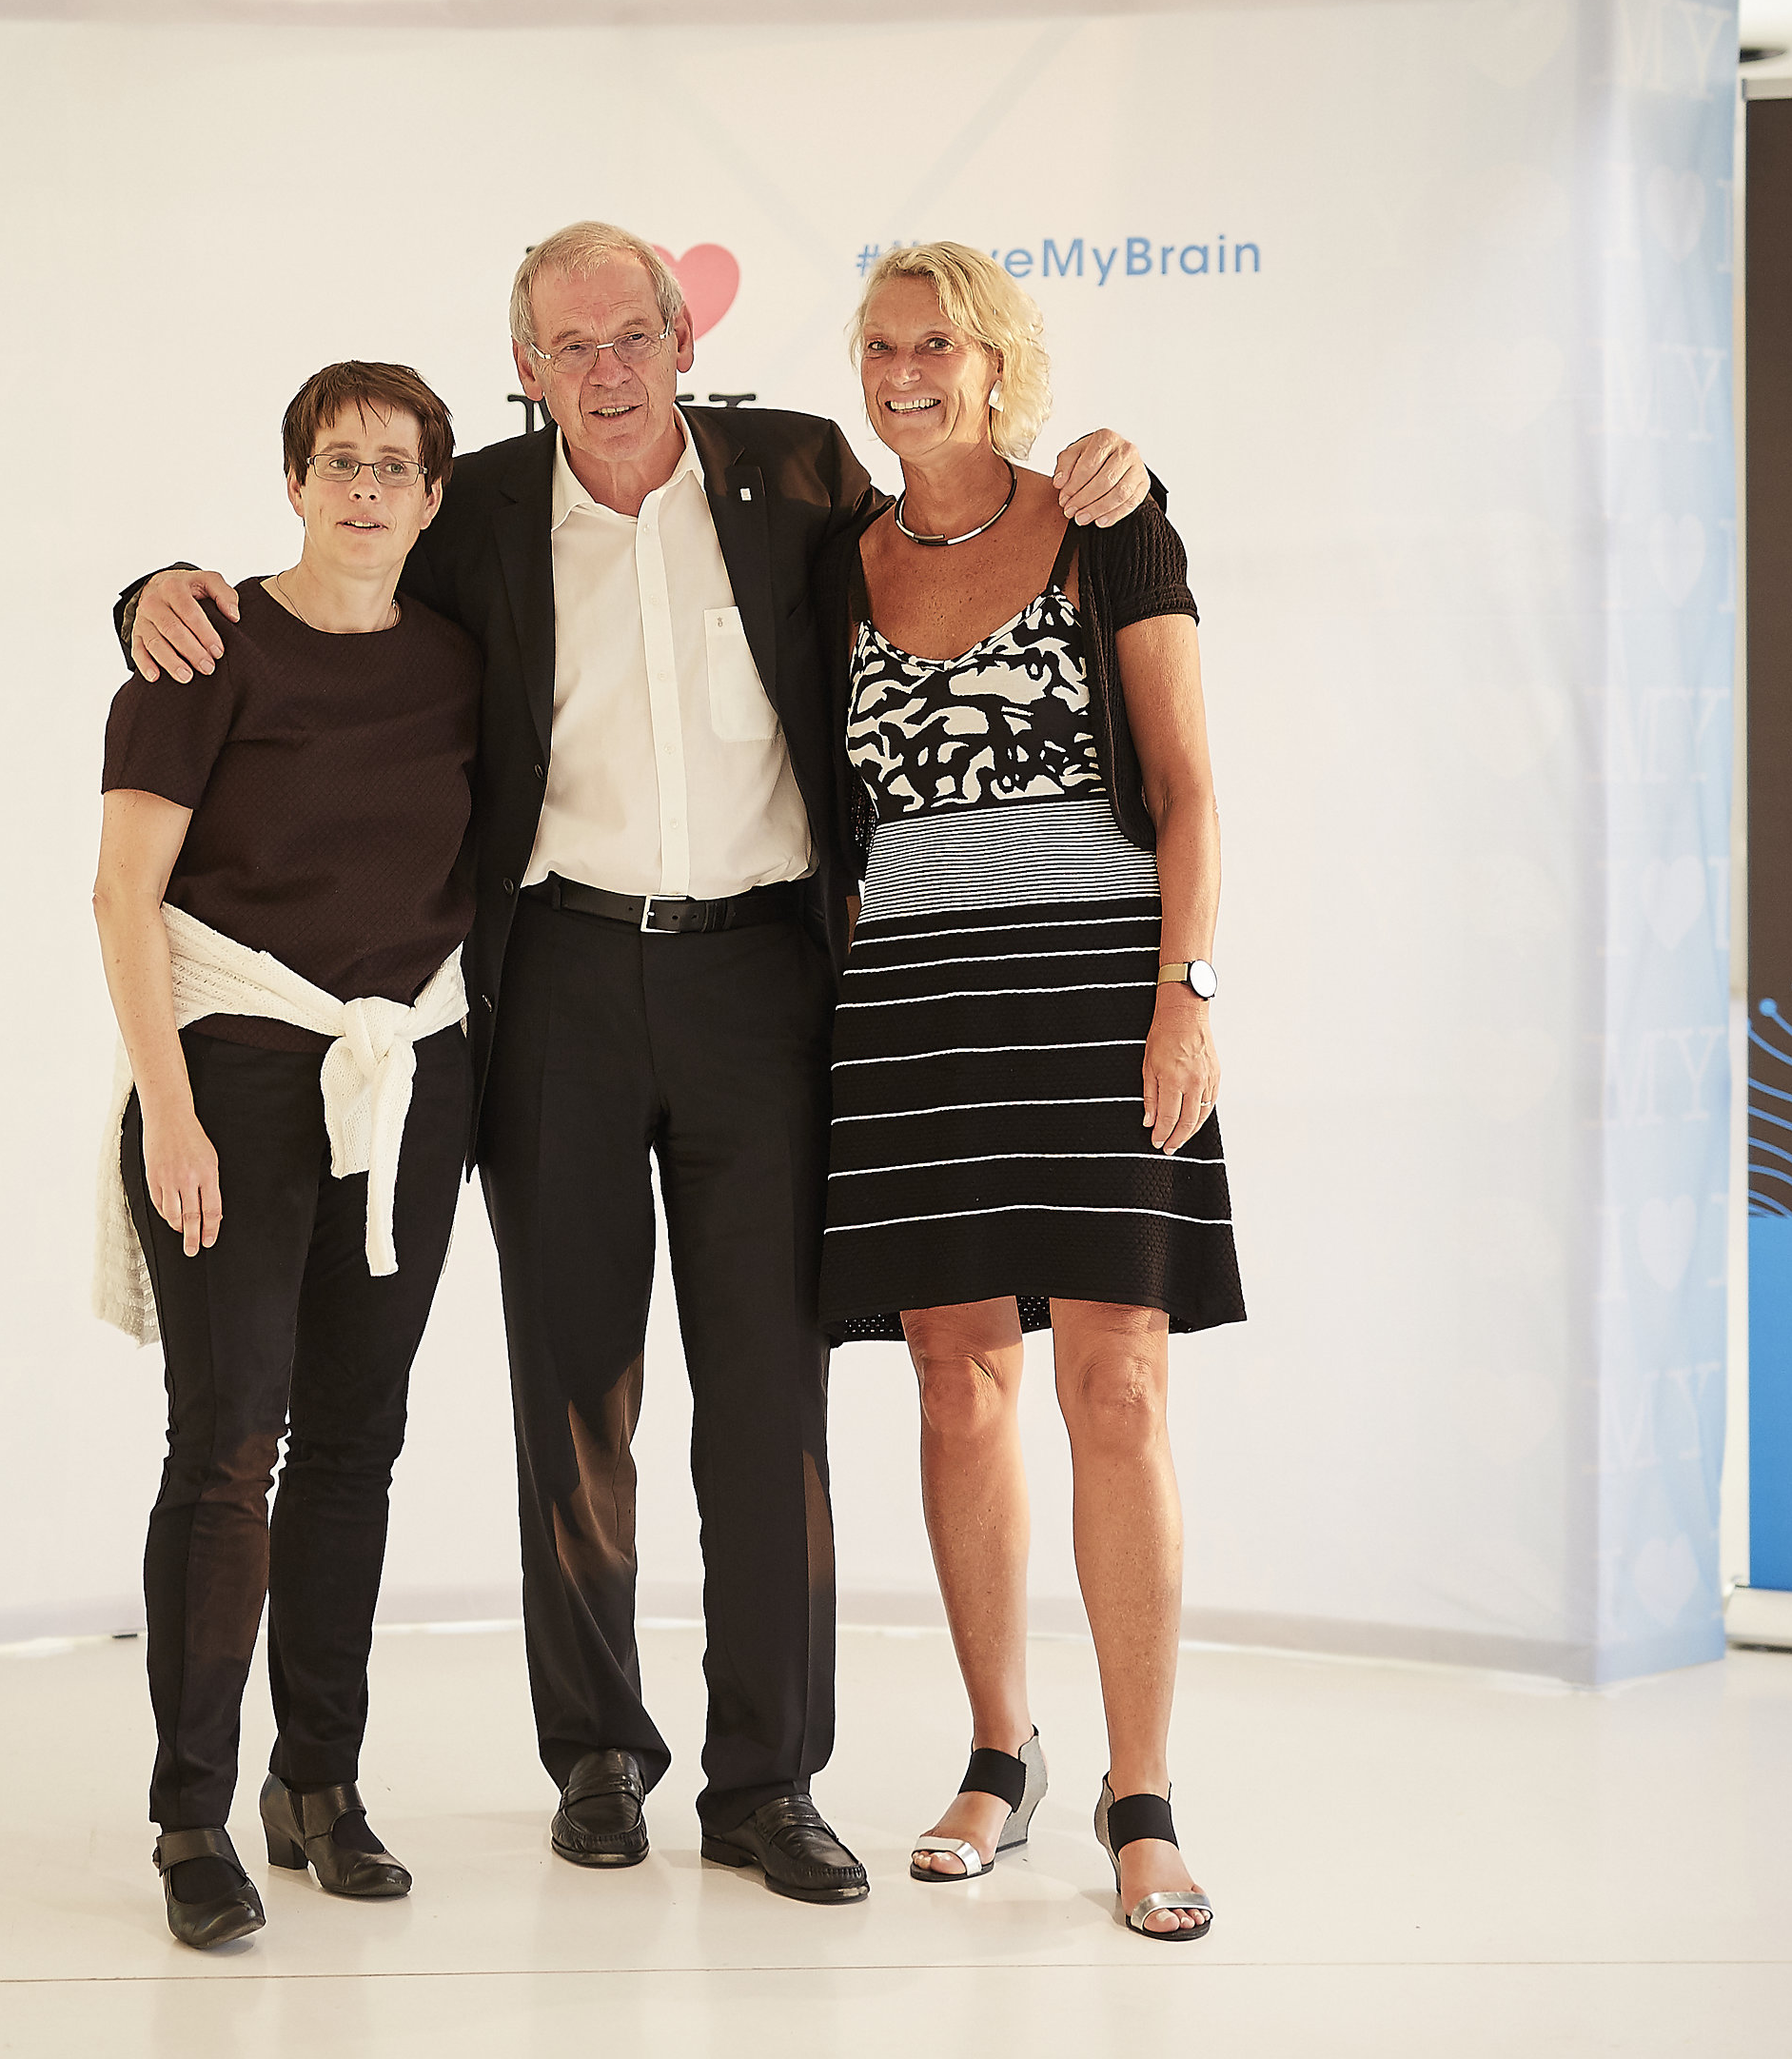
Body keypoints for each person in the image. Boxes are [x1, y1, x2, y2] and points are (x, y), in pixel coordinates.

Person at [123, 224, 1149, 1906]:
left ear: (686, 339)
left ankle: (768, 1780)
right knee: (572, 1389)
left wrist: (1111, 480)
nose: (607, 371)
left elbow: (957, 522)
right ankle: (596, 1755)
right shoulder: (471, 516)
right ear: (525, 368)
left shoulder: (798, 474)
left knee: (768, 1397)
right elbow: (328, 588)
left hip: (765, 985)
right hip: (560, 983)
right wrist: (152, 591)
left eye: (632, 335)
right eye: (569, 345)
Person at [825, 244, 1240, 1942]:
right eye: (879, 346)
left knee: (1118, 1385)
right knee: (954, 1383)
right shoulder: (834, 559)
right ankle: (1002, 1753)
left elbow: (1188, 786)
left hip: (1093, 992)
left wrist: (1184, 997)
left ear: (997, 361)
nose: (905, 371)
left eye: (937, 343)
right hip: (914, 1007)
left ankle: (1143, 1795)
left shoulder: (1107, 523)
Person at [89, 362, 479, 1951]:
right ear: (295, 483)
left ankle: (318, 1780)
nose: (365, 491)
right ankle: (191, 1812)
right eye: (338, 463)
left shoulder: (459, 659)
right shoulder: (202, 649)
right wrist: (168, 1109)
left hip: (408, 1083)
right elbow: (123, 896)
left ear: (436, 498)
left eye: (394, 467)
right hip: (233, 1083)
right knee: (227, 1441)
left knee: (356, 1445)